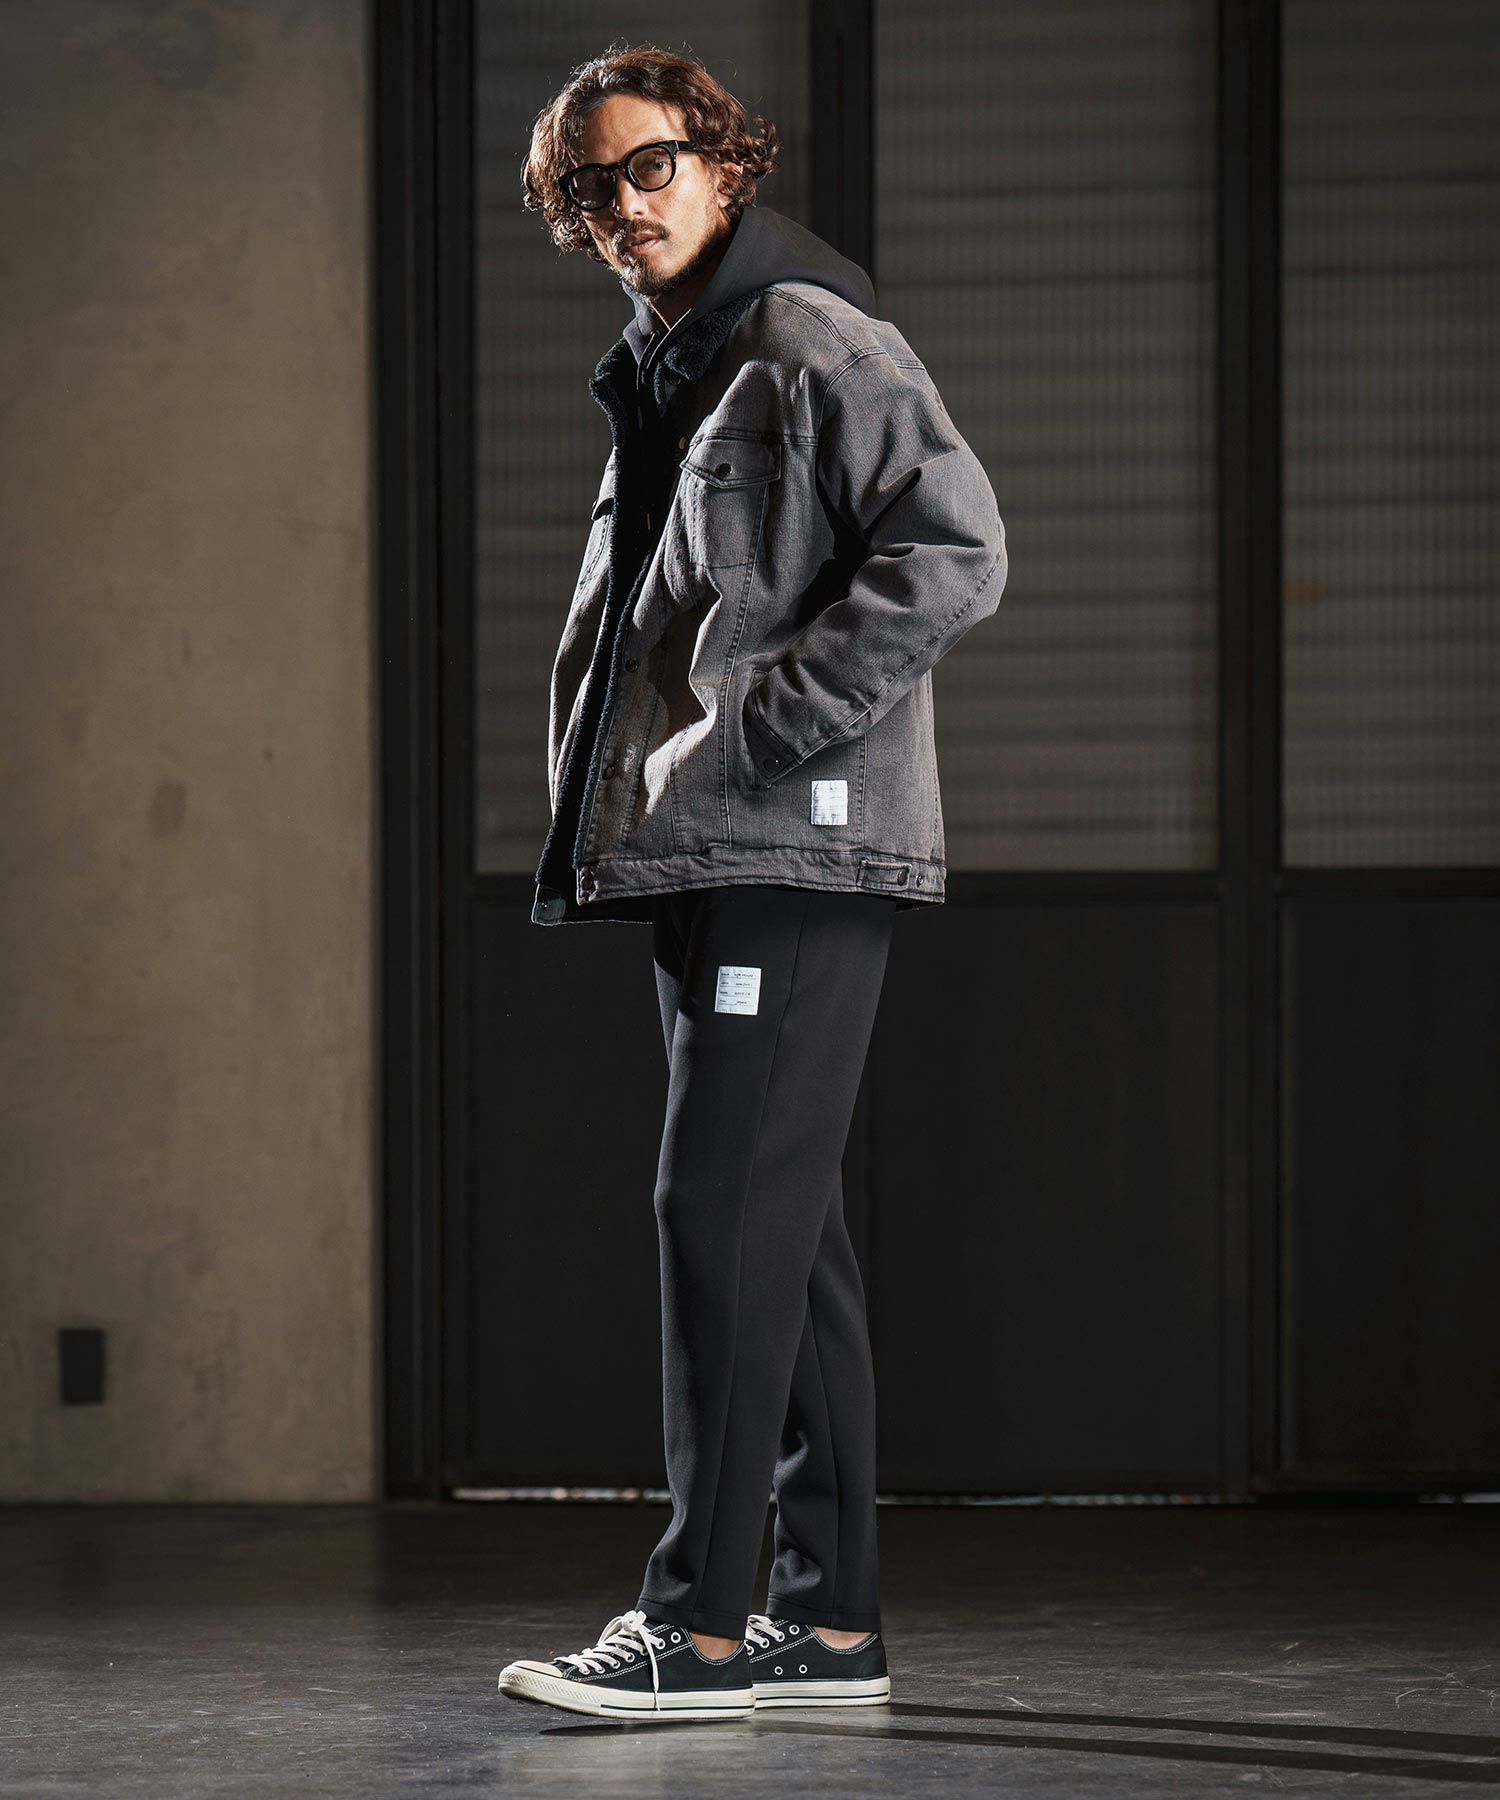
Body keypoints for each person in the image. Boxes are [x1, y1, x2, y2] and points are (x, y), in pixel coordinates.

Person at [499, 44, 1006, 1722]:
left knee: (718, 1216)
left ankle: (699, 1630)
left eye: (651, 164)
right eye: (591, 187)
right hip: (713, 844)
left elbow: (956, 546)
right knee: (785, 1233)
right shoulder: (676, 361)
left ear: (723, 161)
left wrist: (767, 731)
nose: (623, 205)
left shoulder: (810, 338)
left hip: (793, 837)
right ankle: (828, 1623)